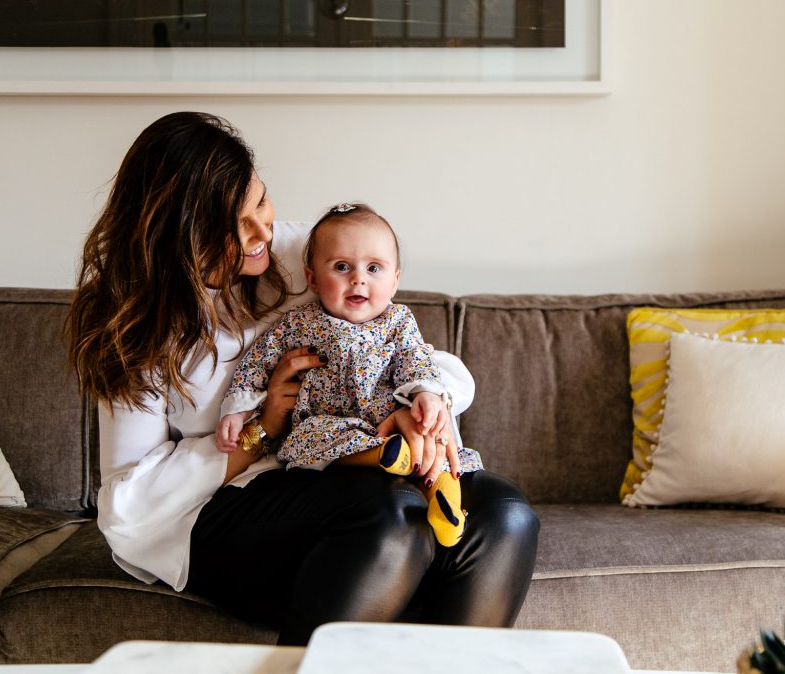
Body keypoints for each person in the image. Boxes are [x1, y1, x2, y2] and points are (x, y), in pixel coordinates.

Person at [65, 111, 539, 645]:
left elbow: (406, 349)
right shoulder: (133, 322)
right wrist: (263, 427)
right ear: (181, 235)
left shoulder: (301, 254)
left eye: (261, 202)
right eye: (233, 225)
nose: (261, 233)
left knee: (504, 514)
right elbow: (130, 502)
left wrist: (413, 408)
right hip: (208, 510)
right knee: (392, 517)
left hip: (333, 472)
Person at [216, 202, 481, 547]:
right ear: (312, 278)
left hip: (388, 418)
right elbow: (258, 362)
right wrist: (237, 410)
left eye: (374, 268)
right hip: (328, 421)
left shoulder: (397, 321)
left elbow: (416, 358)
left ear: (395, 280)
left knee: (431, 436)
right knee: (311, 437)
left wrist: (427, 394)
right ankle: (385, 456)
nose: (358, 278)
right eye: (342, 267)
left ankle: (447, 504)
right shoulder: (300, 322)